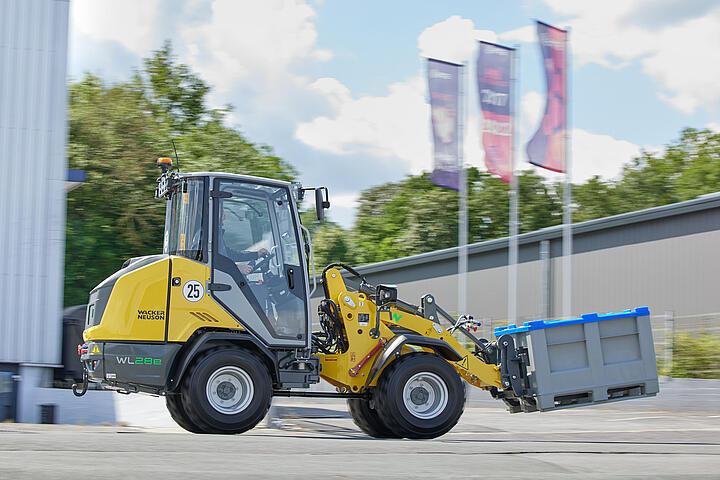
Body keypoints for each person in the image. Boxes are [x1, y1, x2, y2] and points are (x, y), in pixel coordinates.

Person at [218, 207, 269, 274]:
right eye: (221, 212)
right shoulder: (206, 235)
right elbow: (215, 261)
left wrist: (256, 254)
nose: (225, 217)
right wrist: (237, 268)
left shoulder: (215, 236)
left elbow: (230, 254)